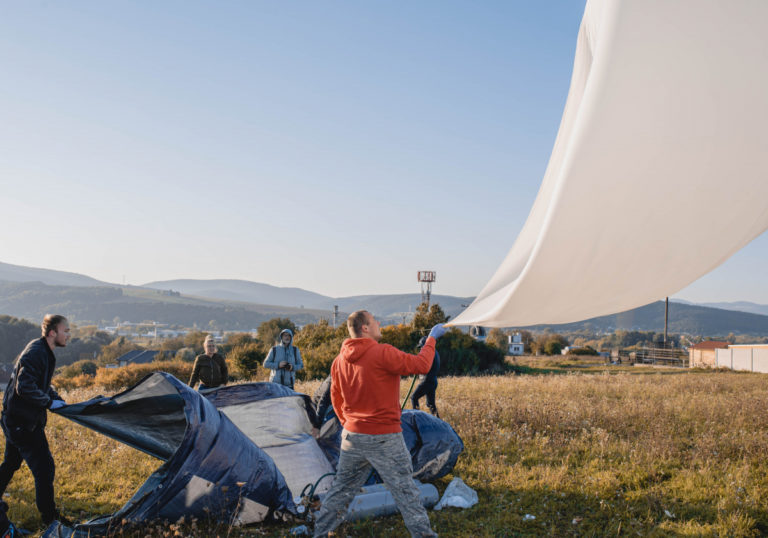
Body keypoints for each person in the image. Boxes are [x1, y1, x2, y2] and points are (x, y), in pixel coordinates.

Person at [312, 310, 446, 538]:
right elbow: (422, 365)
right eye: (375, 321)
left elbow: (336, 399)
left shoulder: (339, 361)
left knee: (341, 490)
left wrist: (351, 424)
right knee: (405, 490)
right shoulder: (383, 353)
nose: (379, 323)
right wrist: (432, 338)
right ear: (365, 327)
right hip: (385, 437)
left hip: (352, 437)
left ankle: (320, 533)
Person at [0, 314, 70, 526]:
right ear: (52, 333)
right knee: (44, 468)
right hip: (23, 423)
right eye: (65, 331)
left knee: (11, 463)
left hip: (17, 419)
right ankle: (50, 519)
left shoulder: (43, 350)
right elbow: (26, 387)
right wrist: (48, 403)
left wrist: (57, 399)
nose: (68, 335)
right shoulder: (37, 353)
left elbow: (41, 384)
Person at [411, 336, 441, 417]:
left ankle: (417, 419)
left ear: (425, 346)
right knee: (430, 404)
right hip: (433, 381)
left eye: (421, 347)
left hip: (426, 381)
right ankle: (438, 422)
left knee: (414, 398)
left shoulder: (428, 354)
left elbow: (422, 365)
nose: (421, 349)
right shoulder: (435, 352)